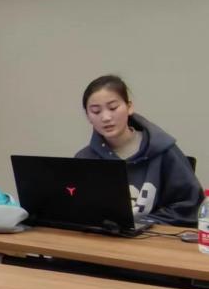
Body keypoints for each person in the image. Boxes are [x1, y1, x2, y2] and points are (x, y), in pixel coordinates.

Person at [75, 74, 203, 226]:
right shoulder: (84, 158)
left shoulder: (163, 150)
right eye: (96, 111)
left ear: (129, 107)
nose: (106, 117)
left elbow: (189, 206)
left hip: (154, 236)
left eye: (113, 108)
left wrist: (143, 224)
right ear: (88, 116)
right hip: (102, 237)